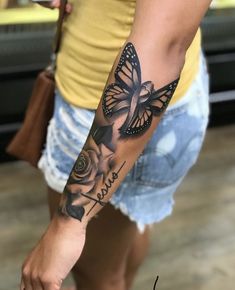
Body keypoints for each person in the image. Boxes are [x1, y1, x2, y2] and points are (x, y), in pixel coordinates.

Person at [20, 0, 212, 289]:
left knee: (96, 276)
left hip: (104, 124)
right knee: (125, 233)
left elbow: (162, 50)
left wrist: (69, 222)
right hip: (131, 101)